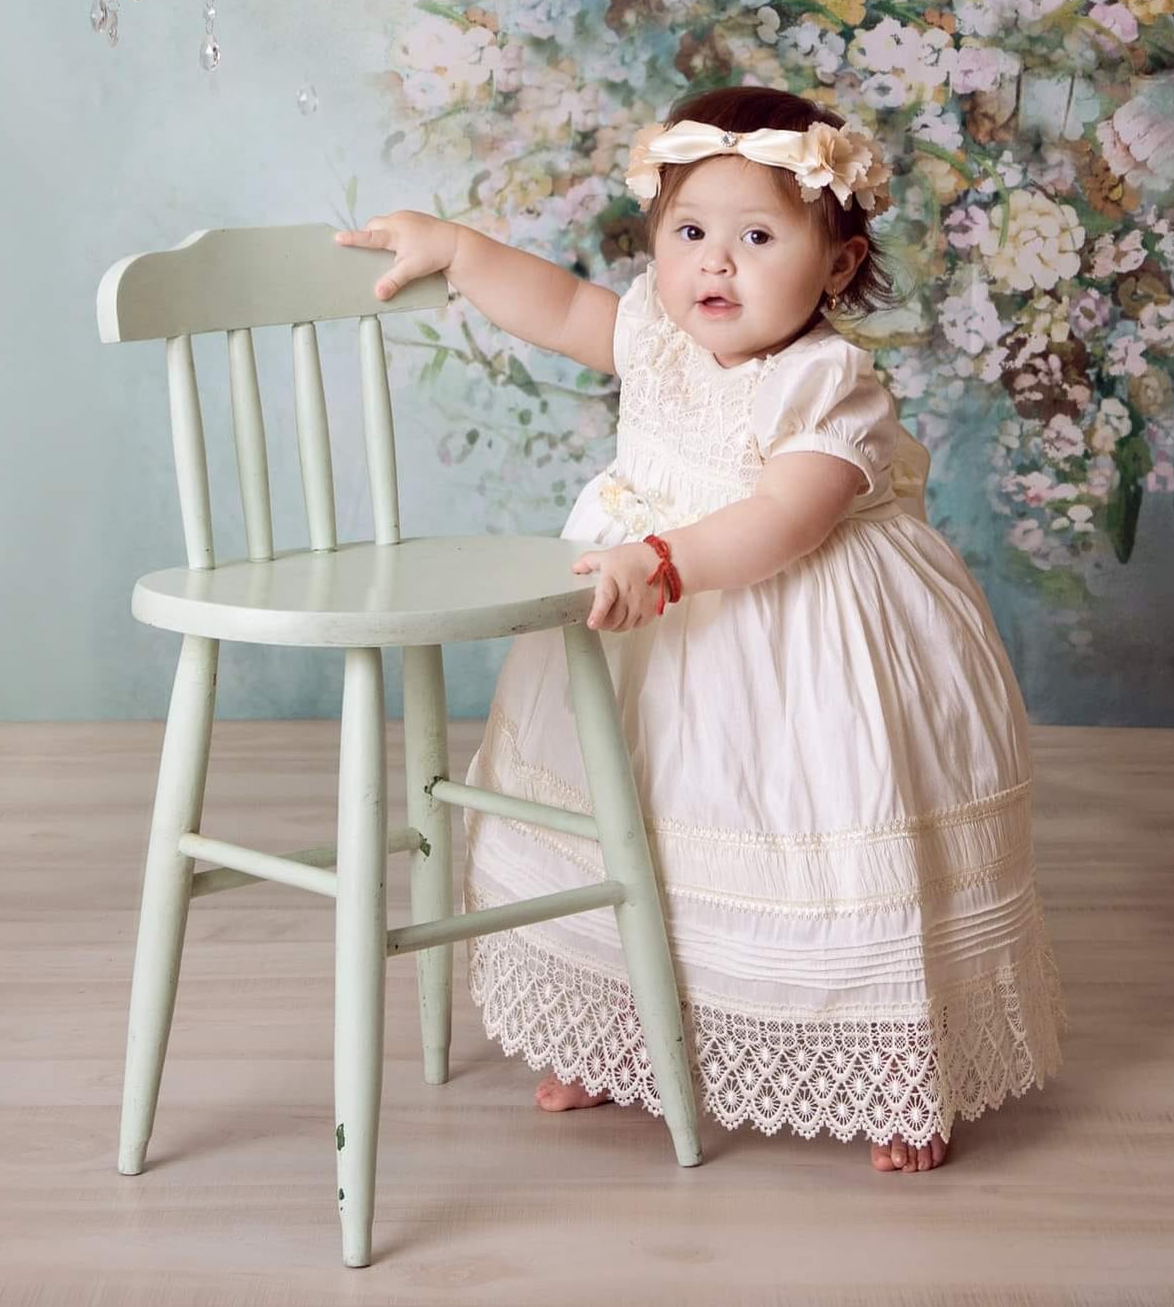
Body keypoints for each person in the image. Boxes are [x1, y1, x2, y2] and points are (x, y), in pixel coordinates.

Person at [332, 85, 1067, 1173]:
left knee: (803, 836)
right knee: (631, 816)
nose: (713, 264)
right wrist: (460, 252)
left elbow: (786, 518)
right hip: (644, 635)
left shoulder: (826, 384)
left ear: (839, 265)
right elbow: (564, 306)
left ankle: (889, 1068)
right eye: (688, 233)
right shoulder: (658, 338)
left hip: (795, 643)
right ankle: (617, 1034)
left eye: (757, 238)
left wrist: (667, 560)